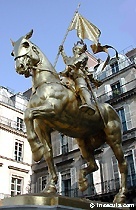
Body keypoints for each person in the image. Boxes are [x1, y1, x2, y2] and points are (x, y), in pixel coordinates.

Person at [59, 41, 95, 115]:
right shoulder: (71, 58)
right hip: (70, 77)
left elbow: (79, 61)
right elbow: (66, 60)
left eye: (78, 49)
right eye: (75, 49)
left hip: (79, 75)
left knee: (81, 87)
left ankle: (88, 103)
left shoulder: (83, 55)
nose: (76, 50)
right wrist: (62, 51)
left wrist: (73, 65)